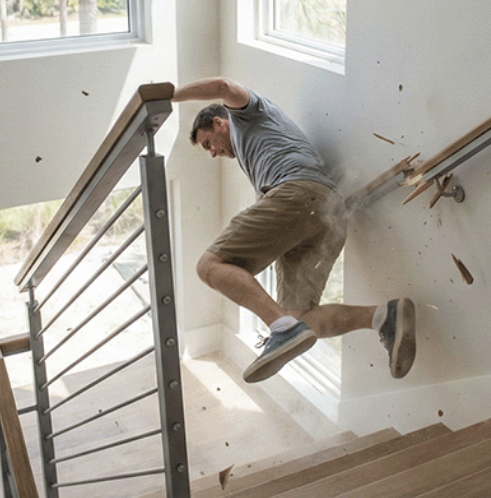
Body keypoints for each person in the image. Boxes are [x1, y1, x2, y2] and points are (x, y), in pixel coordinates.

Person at [172, 77, 416, 383]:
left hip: (298, 195)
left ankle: (281, 328)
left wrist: (169, 96)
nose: (212, 153)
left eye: (208, 143)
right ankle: (382, 316)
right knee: (299, 319)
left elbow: (223, 87)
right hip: (327, 214)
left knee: (210, 266)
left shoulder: (246, 115)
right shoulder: (256, 155)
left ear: (220, 123)